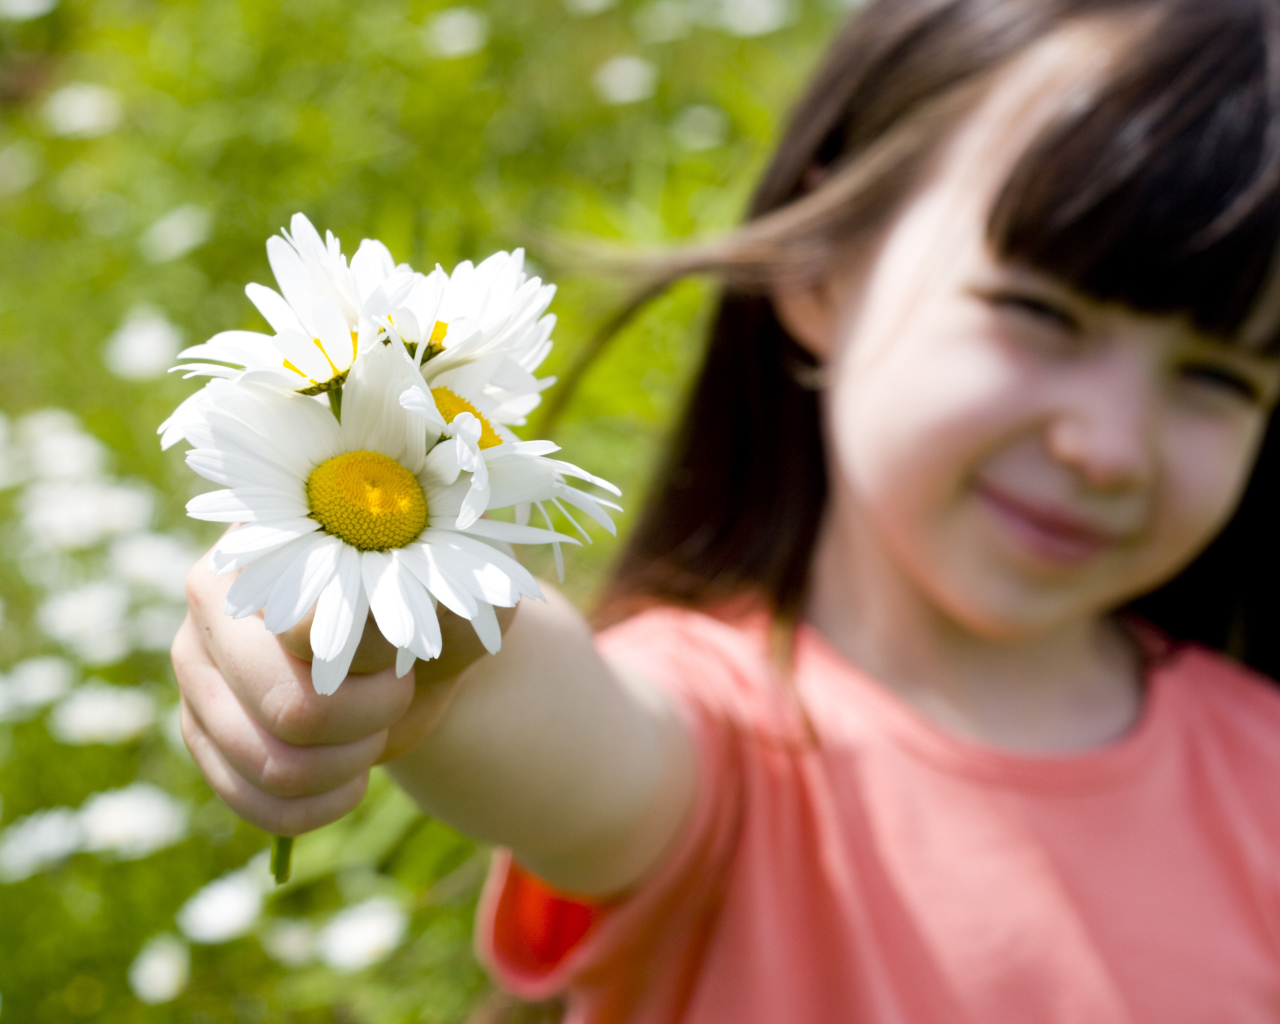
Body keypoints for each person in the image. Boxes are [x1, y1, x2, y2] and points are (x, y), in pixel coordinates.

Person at [172, 0, 1280, 1020]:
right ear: (821, 268)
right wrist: (432, 646)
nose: (1107, 447)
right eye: (1038, 312)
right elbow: (564, 722)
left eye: (1217, 377)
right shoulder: (724, 743)